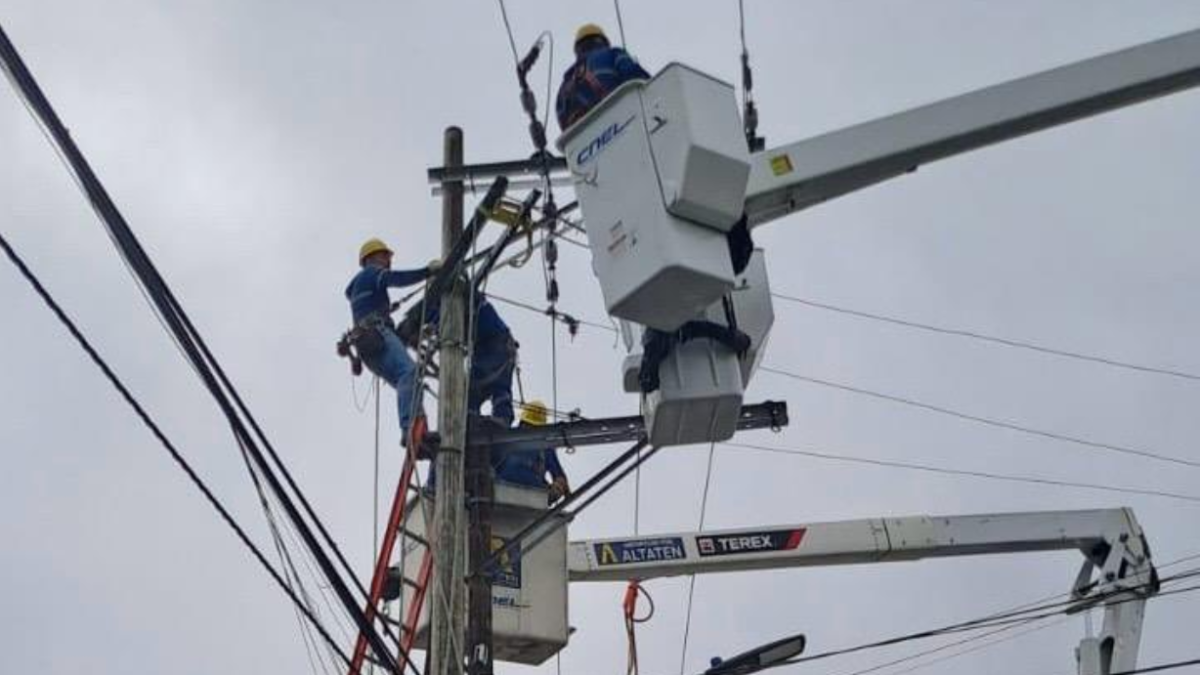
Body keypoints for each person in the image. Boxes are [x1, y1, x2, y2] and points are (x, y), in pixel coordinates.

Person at [345, 238, 438, 445]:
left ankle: (418, 432)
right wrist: (427, 271)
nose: (388, 260)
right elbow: (396, 279)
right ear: (370, 258)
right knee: (410, 374)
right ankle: (410, 428)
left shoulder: (359, 289)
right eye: (385, 255)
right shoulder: (370, 274)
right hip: (377, 333)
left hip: (366, 346)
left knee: (409, 381)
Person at [555, 23, 651, 131]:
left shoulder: (563, 88)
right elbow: (634, 75)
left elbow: (563, 125)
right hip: (624, 122)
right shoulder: (613, 53)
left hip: (584, 142)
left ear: (577, 49)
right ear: (603, 41)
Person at [492, 400, 570, 501]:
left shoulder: (508, 438)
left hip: (512, 492)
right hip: (530, 494)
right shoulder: (508, 438)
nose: (528, 429)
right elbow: (560, 478)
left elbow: (560, 478)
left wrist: (559, 489)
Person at [469, 298, 518, 426]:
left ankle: (471, 417)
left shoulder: (452, 297)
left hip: (492, 343)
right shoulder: (472, 299)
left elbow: (435, 317)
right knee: (498, 387)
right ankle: (502, 418)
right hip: (498, 344)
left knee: (473, 388)